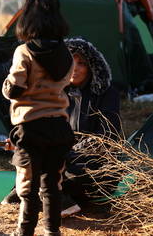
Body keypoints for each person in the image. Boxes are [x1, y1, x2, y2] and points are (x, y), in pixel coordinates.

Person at [1, 0, 75, 236]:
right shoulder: (67, 53)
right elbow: (65, 84)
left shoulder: (24, 51)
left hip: (31, 127)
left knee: (27, 187)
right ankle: (52, 232)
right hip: (59, 126)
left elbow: (15, 90)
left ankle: (25, 232)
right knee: (53, 185)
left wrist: (5, 85)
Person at [60, 37, 122, 215]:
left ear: (92, 67)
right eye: (70, 62)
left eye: (81, 63)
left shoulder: (107, 93)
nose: (75, 68)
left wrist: (69, 154)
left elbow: (107, 136)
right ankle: (58, 196)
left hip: (95, 161)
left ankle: (32, 191)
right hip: (61, 158)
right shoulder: (56, 92)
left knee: (54, 170)